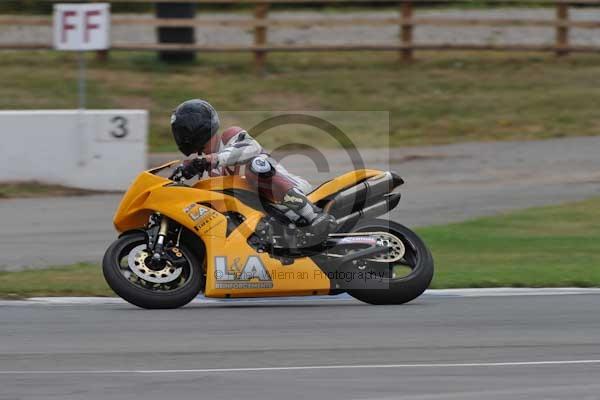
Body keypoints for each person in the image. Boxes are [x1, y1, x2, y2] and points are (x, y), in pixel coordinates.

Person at [170, 99, 336, 245]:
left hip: (294, 192)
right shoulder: (204, 170)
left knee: (255, 167)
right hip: (265, 217)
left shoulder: (230, 137)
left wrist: (213, 159)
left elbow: (250, 148)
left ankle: (314, 217)